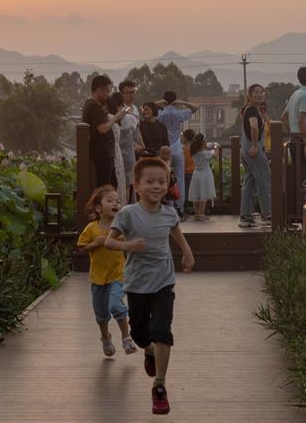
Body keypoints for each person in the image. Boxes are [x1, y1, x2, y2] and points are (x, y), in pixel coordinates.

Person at [105, 157, 195, 416]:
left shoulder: (169, 212)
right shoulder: (127, 214)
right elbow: (110, 243)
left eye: (162, 181)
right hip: (136, 284)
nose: (156, 186)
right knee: (140, 334)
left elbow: (175, 231)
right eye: (150, 181)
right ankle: (150, 351)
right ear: (137, 185)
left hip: (164, 282)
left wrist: (186, 252)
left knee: (162, 329)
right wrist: (128, 246)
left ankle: (159, 386)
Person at [77, 185, 137, 357]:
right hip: (97, 277)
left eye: (117, 201)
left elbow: (130, 243)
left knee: (116, 305)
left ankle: (126, 338)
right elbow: (81, 247)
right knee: (101, 314)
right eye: (109, 201)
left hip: (118, 274)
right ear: (98, 208)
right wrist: (95, 243)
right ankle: (105, 337)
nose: (115, 203)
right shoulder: (92, 228)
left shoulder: (120, 227)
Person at [82, 75, 132, 188]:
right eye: (107, 91)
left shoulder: (91, 105)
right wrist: (115, 118)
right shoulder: (93, 106)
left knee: (111, 184)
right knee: (105, 186)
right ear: (99, 89)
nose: (108, 95)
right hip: (101, 153)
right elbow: (103, 128)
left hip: (105, 152)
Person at [156, 92, 199, 205]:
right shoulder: (179, 114)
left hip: (165, 150)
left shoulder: (161, 114)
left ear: (164, 100)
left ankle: (168, 206)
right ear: (175, 101)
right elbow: (196, 107)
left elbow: (144, 109)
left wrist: (159, 103)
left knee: (165, 179)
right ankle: (180, 207)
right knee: (180, 179)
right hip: (177, 149)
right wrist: (183, 102)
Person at [239, 84, 272, 228]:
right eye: (256, 92)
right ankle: (268, 213)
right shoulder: (252, 109)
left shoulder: (253, 109)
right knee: (265, 180)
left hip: (247, 149)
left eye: (261, 92)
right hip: (254, 150)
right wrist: (254, 145)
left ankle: (245, 216)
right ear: (250, 95)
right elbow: (253, 127)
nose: (259, 94)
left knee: (249, 181)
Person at [282, 66, 306, 161]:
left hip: (295, 140)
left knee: (297, 173)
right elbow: (302, 121)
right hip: (304, 141)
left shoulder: (296, 93)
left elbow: (284, 117)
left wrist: (294, 132)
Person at [108, 92, 132, 205]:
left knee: (118, 181)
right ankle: (121, 204)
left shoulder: (110, 118)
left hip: (114, 151)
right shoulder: (119, 118)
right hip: (118, 153)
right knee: (121, 182)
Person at [187, 133, 216, 221]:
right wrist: (215, 147)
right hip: (205, 174)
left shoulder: (194, 153)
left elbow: (203, 150)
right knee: (203, 195)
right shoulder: (206, 153)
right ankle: (202, 214)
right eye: (205, 141)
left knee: (196, 194)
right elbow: (215, 154)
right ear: (203, 143)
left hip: (196, 174)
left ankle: (196, 213)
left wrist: (206, 147)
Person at [158, 145, 182, 209]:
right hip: (169, 187)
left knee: (166, 202)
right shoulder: (167, 164)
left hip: (165, 186)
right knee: (169, 203)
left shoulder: (161, 163)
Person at [182, 129, 196, 211]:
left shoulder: (182, 148)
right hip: (193, 171)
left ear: (185, 138)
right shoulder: (194, 148)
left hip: (184, 172)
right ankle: (192, 206)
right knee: (192, 189)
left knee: (184, 189)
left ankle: (185, 205)